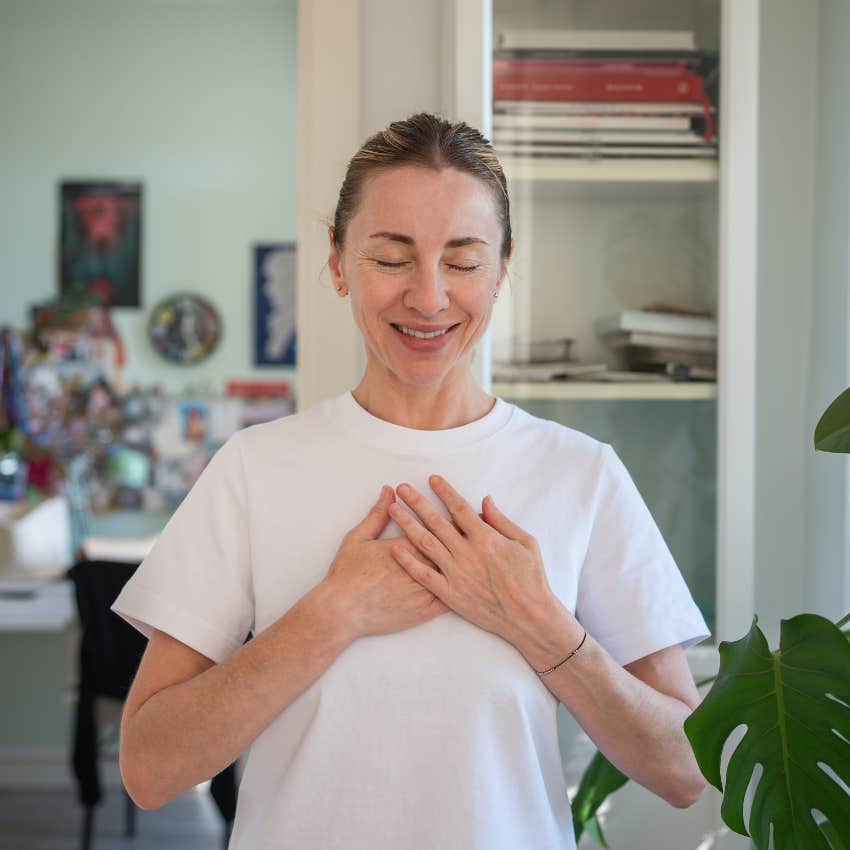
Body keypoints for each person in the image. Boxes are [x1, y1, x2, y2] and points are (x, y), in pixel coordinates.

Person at [112, 112, 711, 850]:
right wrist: (329, 615)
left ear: (502, 268)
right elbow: (149, 767)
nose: (428, 298)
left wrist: (540, 623)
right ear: (337, 263)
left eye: (462, 262)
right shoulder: (253, 469)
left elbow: (686, 770)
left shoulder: (581, 474)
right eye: (392, 258)